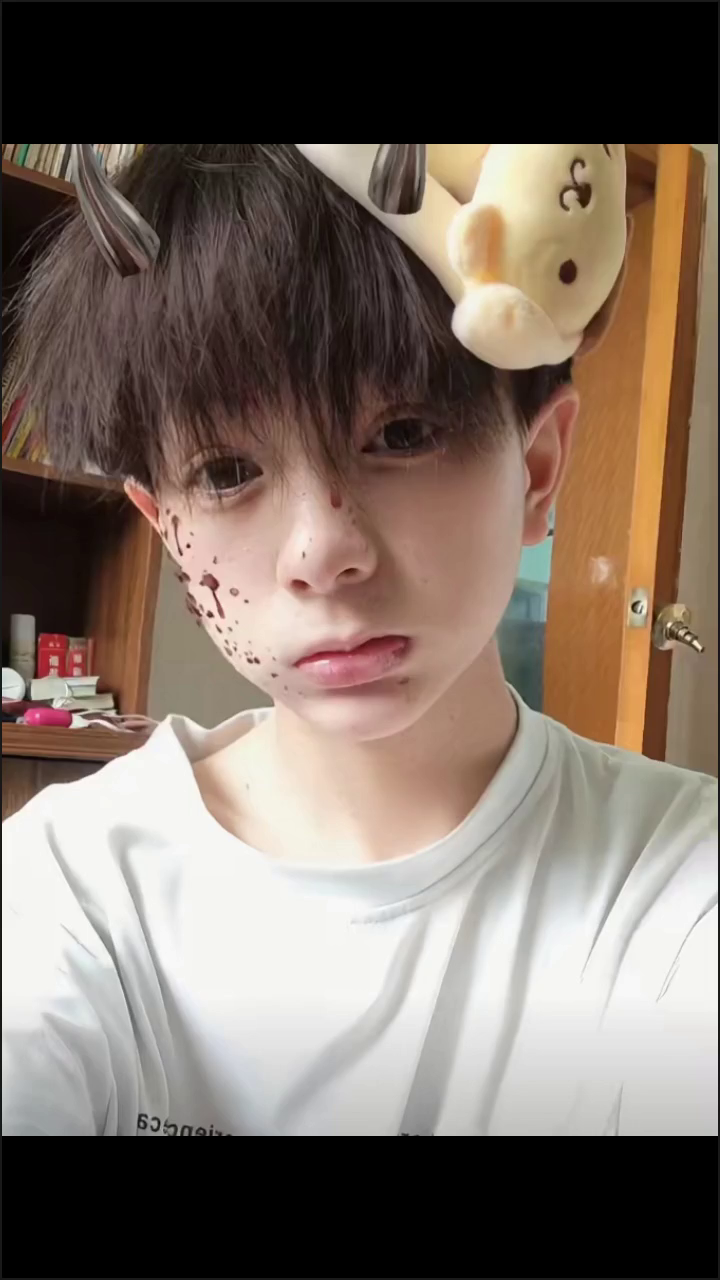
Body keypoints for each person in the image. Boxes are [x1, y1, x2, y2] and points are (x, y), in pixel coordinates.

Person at [2, 144, 716, 1138]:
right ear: (163, 526)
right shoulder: (66, 889)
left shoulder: (678, 885)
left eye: (402, 433)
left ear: (539, 468)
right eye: (225, 472)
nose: (321, 552)